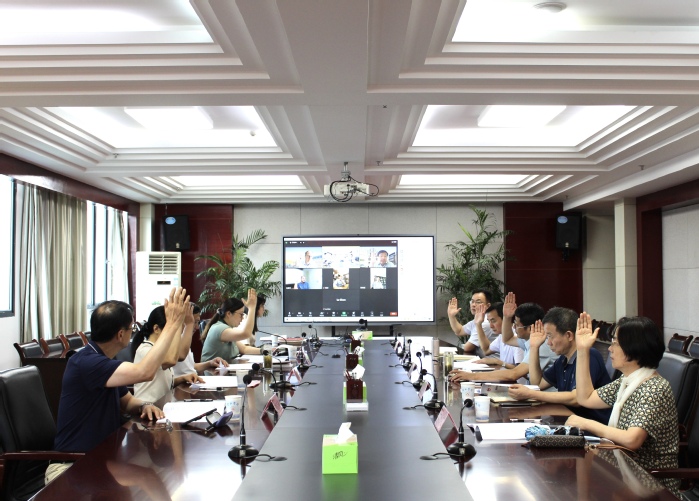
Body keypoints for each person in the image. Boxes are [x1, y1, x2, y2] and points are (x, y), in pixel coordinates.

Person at [47, 288, 189, 484]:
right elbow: (144, 372)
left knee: (149, 477)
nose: (133, 333)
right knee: (148, 477)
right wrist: (172, 324)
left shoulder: (104, 361)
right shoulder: (87, 363)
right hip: (71, 465)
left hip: (98, 458)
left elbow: (127, 401)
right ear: (121, 334)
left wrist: (143, 406)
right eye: (131, 329)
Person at [565, 313, 679, 497]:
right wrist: (583, 350)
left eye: (615, 343)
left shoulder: (654, 388)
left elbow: (632, 440)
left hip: (651, 485)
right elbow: (585, 398)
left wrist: (585, 423)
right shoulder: (627, 381)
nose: (610, 348)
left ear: (634, 348)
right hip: (624, 473)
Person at [508, 307, 611, 423]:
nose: (548, 342)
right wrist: (534, 347)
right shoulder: (562, 360)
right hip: (570, 420)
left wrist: (532, 394)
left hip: (592, 425)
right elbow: (537, 383)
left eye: (550, 336)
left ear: (569, 335)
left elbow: (576, 398)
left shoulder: (589, 356)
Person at [450, 294, 554, 383]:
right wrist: (507, 317)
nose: (514, 327)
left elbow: (514, 373)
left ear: (530, 328)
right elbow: (507, 339)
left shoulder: (541, 345)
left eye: (517, 325)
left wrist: (472, 376)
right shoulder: (527, 340)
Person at [132, 305, 203, 402]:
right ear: (156, 329)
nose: (177, 332)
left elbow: (163, 383)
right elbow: (173, 359)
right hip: (147, 407)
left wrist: (182, 379)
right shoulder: (146, 350)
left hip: (163, 407)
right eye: (172, 329)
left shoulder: (162, 349)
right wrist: (181, 324)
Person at [200, 289, 265, 362]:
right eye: (241, 314)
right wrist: (252, 308)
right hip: (214, 369)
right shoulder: (220, 328)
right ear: (229, 314)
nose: (243, 317)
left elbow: (244, 349)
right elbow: (246, 334)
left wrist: (265, 350)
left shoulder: (227, 328)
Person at [174, 304, 229, 375]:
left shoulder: (183, 338)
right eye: (194, 322)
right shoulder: (173, 341)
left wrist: (210, 363)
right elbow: (181, 357)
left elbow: (190, 366)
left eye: (197, 322)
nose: (197, 327)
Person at [472, 302, 525, 370]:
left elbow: (520, 371)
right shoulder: (501, 336)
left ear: (505, 318)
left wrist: (497, 362)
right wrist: (478, 324)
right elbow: (486, 350)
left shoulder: (518, 338)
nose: (491, 326)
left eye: (493, 321)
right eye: (489, 321)